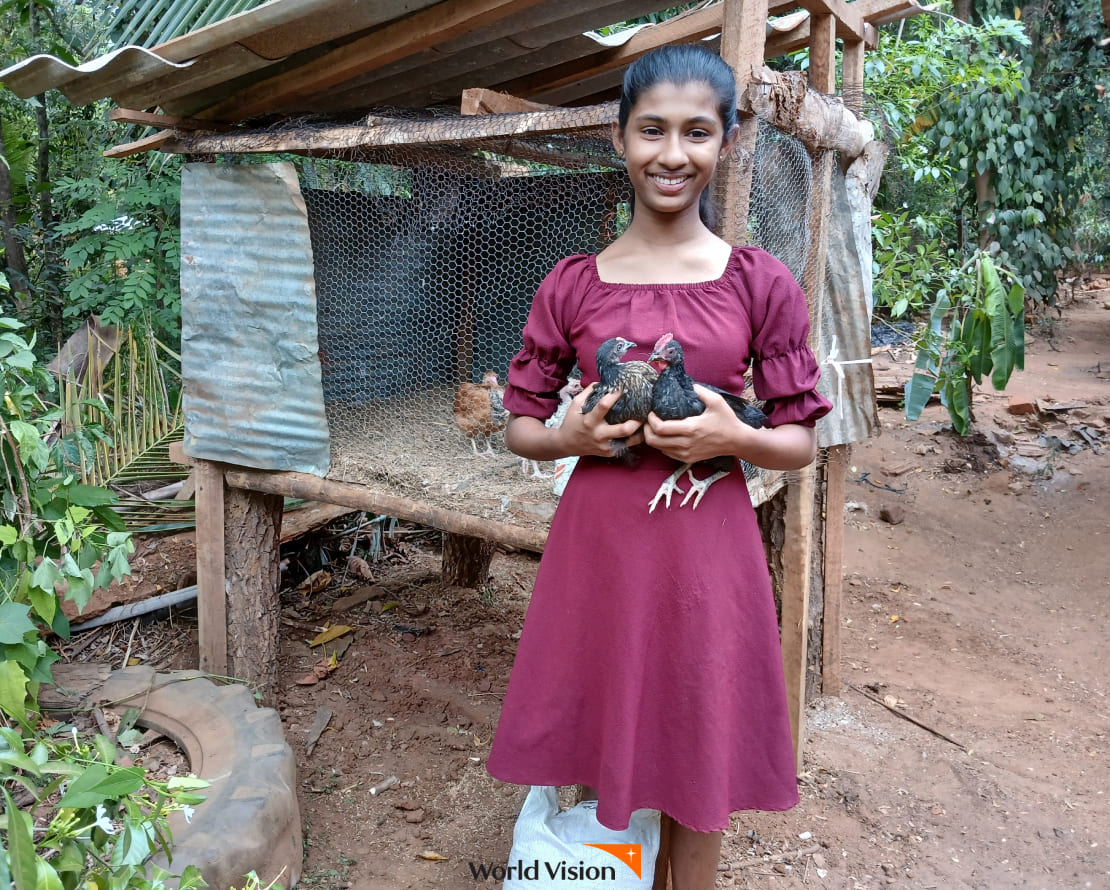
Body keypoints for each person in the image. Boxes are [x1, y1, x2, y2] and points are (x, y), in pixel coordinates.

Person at [486, 44, 833, 890]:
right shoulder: (573, 284)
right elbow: (520, 428)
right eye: (652, 131)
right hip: (600, 555)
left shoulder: (758, 282)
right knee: (607, 736)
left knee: (695, 740)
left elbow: (802, 442)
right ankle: (601, 873)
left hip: (706, 556)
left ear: (727, 143)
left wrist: (734, 440)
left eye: (696, 132)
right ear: (620, 139)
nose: (672, 154)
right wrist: (568, 440)